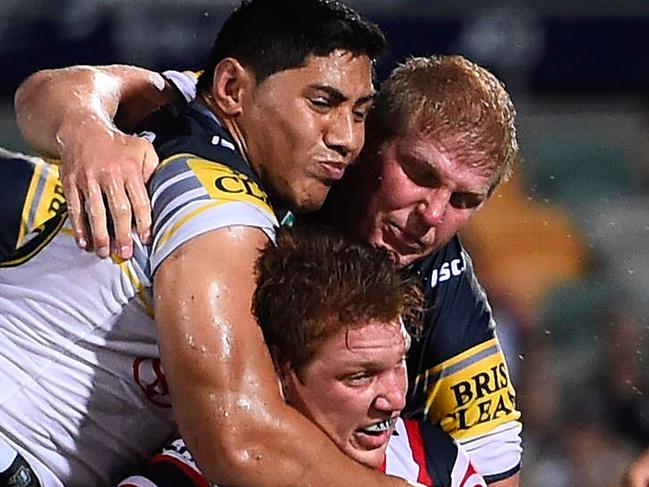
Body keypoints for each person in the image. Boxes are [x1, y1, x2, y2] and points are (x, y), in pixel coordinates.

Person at [14, 54, 522, 486]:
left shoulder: (442, 281)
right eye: (420, 172)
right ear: (367, 136)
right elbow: (53, 90)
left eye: (464, 199)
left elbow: (500, 471)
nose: (432, 215)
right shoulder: (254, 139)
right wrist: (87, 129)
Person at [1, 1, 401, 486]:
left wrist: (85, 126)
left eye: (359, 112)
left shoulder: (194, 104)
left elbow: (52, 88)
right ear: (233, 88)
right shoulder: (218, 211)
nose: (346, 138)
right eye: (321, 103)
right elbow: (241, 445)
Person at [117, 224, 487, 487]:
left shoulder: (439, 465)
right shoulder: (184, 477)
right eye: (359, 376)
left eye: (399, 364)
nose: (394, 398)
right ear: (280, 371)